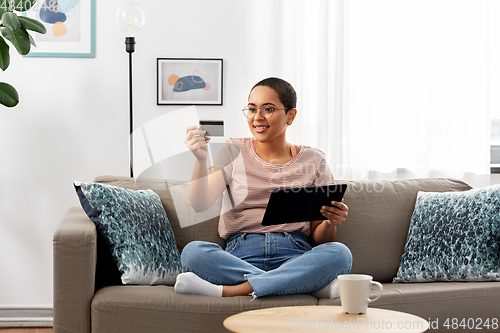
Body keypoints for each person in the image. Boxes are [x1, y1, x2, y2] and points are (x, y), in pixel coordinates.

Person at [175, 77, 352, 299]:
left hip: (295, 254)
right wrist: (200, 160)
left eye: (268, 109)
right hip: (240, 256)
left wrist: (329, 221)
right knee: (193, 252)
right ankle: (304, 284)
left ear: (291, 115)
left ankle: (234, 290)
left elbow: (321, 240)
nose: (258, 117)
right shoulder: (232, 150)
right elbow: (200, 204)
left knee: (340, 254)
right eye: (252, 109)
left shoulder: (314, 160)